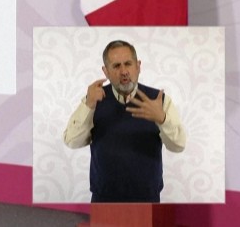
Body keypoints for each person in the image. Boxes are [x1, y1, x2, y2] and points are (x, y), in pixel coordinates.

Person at [63, 40, 186, 203]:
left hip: (147, 199)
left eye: (128, 64)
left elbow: (178, 146)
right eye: (116, 66)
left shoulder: (158, 101)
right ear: (106, 71)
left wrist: (162, 119)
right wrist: (89, 105)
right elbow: (72, 141)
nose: (124, 71)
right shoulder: (94, 100)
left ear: (138, 66)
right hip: (104, 199)